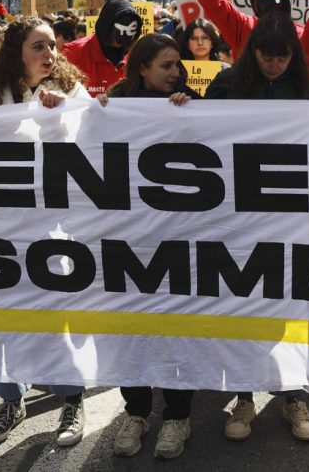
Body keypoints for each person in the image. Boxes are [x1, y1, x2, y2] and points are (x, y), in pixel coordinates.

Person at [0, 18, 91, 447]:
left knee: (52, 317)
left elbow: (87, 151)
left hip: (50, 228)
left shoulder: (72, 93)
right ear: (17, 51)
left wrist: (55, 118)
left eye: (52, 45)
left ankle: (71, 399)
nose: (49, 54)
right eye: (37, 46)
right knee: (0, 320)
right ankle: (10, 398)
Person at [205, 13, 309, 441]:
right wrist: (183, 104)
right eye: (266, 57)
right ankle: (243, 398)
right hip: (235, 215)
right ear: (252, 53)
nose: (274, 65)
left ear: (293, 56)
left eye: (283, 57)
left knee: (289, 307)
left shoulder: (306, 91)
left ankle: (293, 396)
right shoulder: (226, 86)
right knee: (242, 307)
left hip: (287, 218)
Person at [106, 34, 197, 459]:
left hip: (180, 238)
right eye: (165, 65)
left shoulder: (189, 101)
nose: (175, 73)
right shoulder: (113, 103)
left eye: (177, 64)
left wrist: (191, 115)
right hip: (130, 239)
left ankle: (178, 415)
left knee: (178, 327)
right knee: (133, 329)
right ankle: (137, 410)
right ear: (141, 67)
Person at [60, 0, 144, 96]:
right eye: (117, 38)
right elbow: (57, 90)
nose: (122, 45)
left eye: (128, 40)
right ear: (106, 30)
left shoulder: (136, 56)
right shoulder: (72, 53)